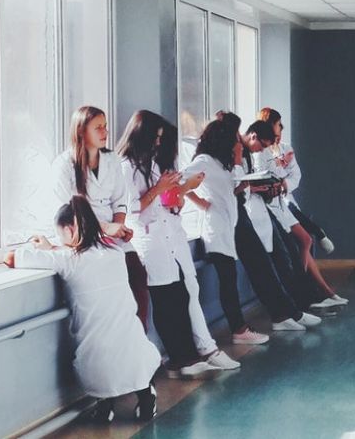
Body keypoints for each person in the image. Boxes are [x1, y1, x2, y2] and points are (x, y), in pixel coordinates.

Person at [113, 110, 242, 378]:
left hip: (169, 234)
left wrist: (177, 198)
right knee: (165, 300)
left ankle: (188, 355)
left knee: (180, 295)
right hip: (150, 241)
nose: (158, 144)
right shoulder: (125, 167)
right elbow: (132, 210)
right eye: (155, 138)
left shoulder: (152, 165)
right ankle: (179, 358)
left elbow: (164, 202)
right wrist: (161, 190)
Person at [6, 196, 158, 422]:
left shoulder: (67, 260)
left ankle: (104, 405)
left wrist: (44, 248)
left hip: (95, 366)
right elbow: (86, 253)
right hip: (136, 353)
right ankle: (146, 399)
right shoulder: (115, 254)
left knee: (101, 359)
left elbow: (11, 258)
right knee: (132, 354)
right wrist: (57, 247)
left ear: (69, 230)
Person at [183, 115, 315, 342]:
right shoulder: (207, 160)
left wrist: (244, 183)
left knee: (258, 266)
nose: (239, 143)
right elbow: (181, 182)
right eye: (234, 139)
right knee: (233, 277)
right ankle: (241, 329)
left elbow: (230, 188)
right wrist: (201, 203)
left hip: (233, 219)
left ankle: (283, 313)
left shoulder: (223, 162)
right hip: (220, 226)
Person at [51, 106, 146, 331]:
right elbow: (68, 214)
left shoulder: (111, 159)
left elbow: (120, 198)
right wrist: (106, 228)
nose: (105, 132)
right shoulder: (63, 165)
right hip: (83, 237)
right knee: (109, 290)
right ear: (82, 131)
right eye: (98, 128)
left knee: (138, 276)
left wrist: (119, 227)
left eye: (105, 127)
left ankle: (138, 340)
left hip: (113, 233)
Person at [256, 108, 346, 308]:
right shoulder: (261, 151)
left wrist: (284, 176)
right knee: (304, 241)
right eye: (278, 124)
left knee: (305, 241)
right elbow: (269, 176)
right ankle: (308, 292)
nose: (280, 129)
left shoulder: (284, 147)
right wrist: (281, 168)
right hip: (274, 205)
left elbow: (295, 175)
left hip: (285, 200)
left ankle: (322, 292)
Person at [243, 120, 333, 313]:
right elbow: (242, 185)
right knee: (285, 256)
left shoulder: (256, 153)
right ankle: (300, 301)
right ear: (253, 136)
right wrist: (267, 183)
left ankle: (311, 296)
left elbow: (289, 176)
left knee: (296, 248)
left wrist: (277, 182)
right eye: (264, 144)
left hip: (274, 205)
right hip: (263, 210)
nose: (263, 149)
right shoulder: (246, 154)